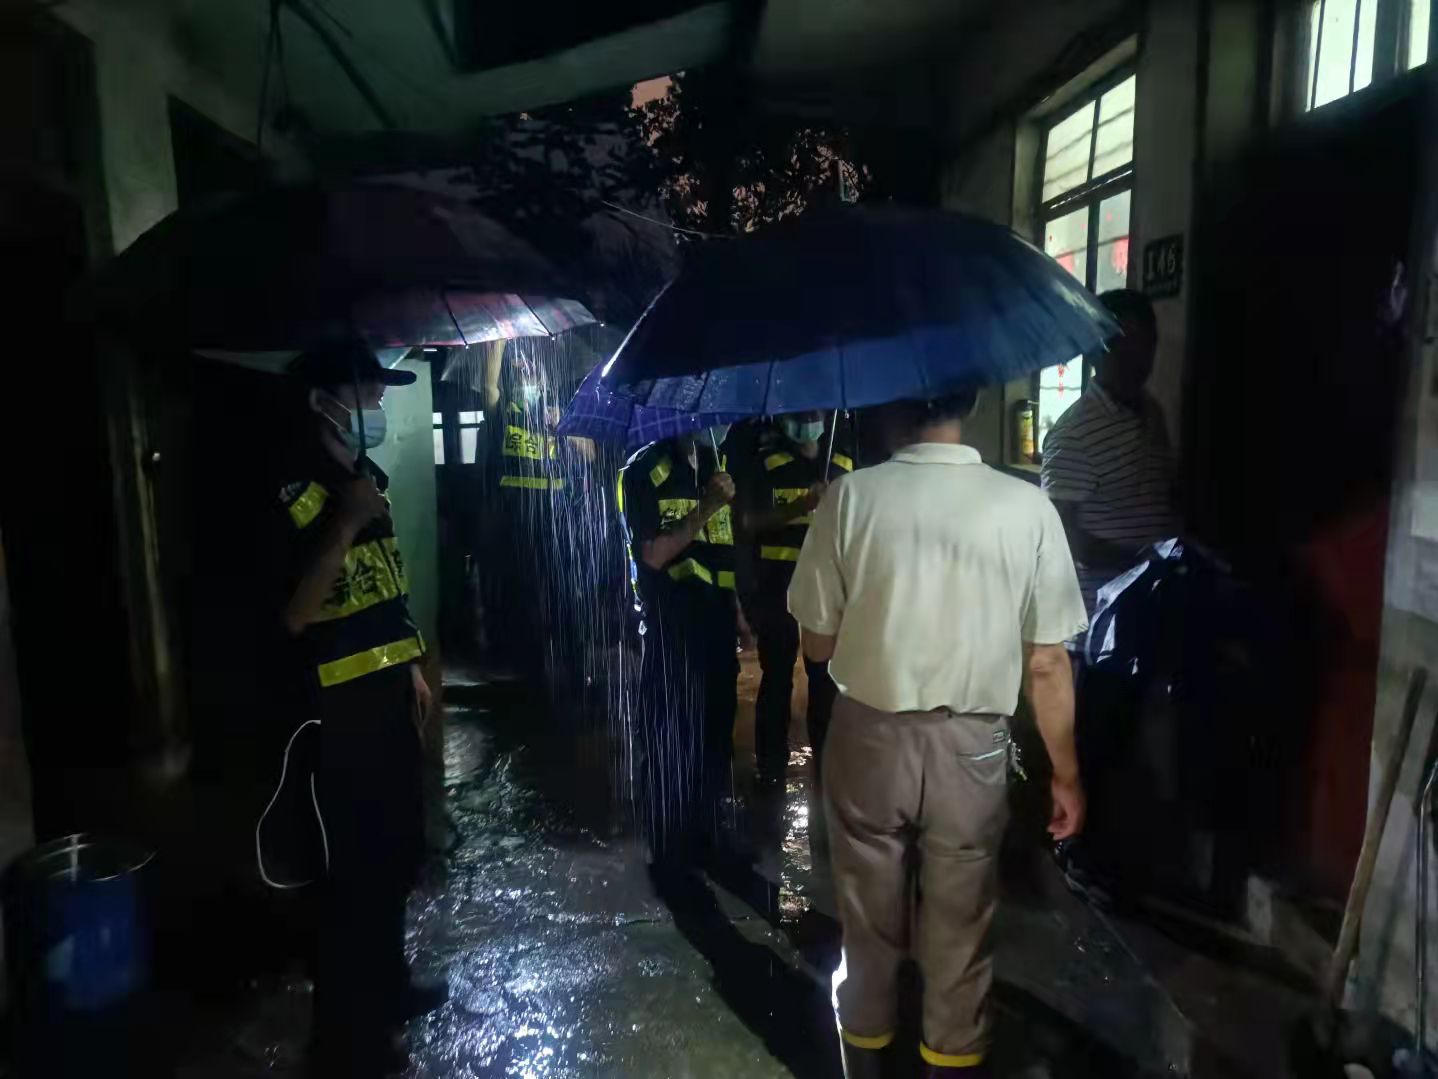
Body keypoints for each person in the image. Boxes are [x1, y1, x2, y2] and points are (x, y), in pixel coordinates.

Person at [788, 388, 1088, 1078]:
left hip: (868, 739)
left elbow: (817, 646)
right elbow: (1046, 662)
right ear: (973, 399)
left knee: (867, 925)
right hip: (972, 748)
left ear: (893, 407)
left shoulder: (850, 497)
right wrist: (1067, 774)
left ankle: (865, 1060)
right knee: (960, 930)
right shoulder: (1026, 506)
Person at [258, 341, 443, 1078]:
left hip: (387, 698)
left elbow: (384, 584)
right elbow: (294, 613)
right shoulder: (293, 487)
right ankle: (345, 1037)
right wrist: (343, 522)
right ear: (321, 400)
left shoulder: (366, 478)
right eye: (366, 391)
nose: (378, 404)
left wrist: (411, 662)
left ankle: (389, 989)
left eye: (379, 392)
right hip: (335, 716)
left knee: (396, 854)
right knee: (352, 877)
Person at [1039, 289, 1179, 904]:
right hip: (1098, 623)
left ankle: (1108, 846)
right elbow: (1063, 535)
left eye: (1148, 343)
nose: (1139, 356)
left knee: (1124, 740)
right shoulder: (1075, 433)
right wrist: (1141, 562)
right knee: (1091, 743)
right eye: (1125, 344)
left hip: (1147, 612)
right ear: (1097, 350)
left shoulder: (1151, 415)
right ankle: (1076, 852)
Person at [619, 429, 739, 875]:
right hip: (672, 628)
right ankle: (667, 844)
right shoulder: (642, 471)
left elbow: (722, 551)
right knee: (670, 735)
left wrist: (738, 613)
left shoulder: (715, 465)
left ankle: (710, 830)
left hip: (718, 628)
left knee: (716, 733)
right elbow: (651, 554)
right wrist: (707, 506)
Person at [737, 410, 852, 785]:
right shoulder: (767, 463)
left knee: (826, 677)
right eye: (800, 412)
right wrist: (800, 506)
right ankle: (770, 766)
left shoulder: (842, 464)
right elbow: (749, 522)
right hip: (778, 587)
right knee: (777, 675)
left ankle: (827, 763)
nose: (808, 418)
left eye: (815, 412)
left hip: (829, 588)